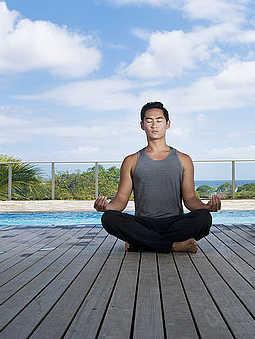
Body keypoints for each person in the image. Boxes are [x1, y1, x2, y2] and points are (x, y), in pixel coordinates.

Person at [94, 101, 221, 253]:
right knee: (109, 219)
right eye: (149, 120)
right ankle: (174, 245)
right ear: (142, 125)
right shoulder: (131, 160)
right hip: (143, 223)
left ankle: (141, 243)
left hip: (174, 222)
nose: (154, 125)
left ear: (168, 124)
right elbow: (121, 200)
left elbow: (190, 199)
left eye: (159, 120)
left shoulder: (183, 159)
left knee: (204, 218)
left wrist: (206, 207)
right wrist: (108, 207)